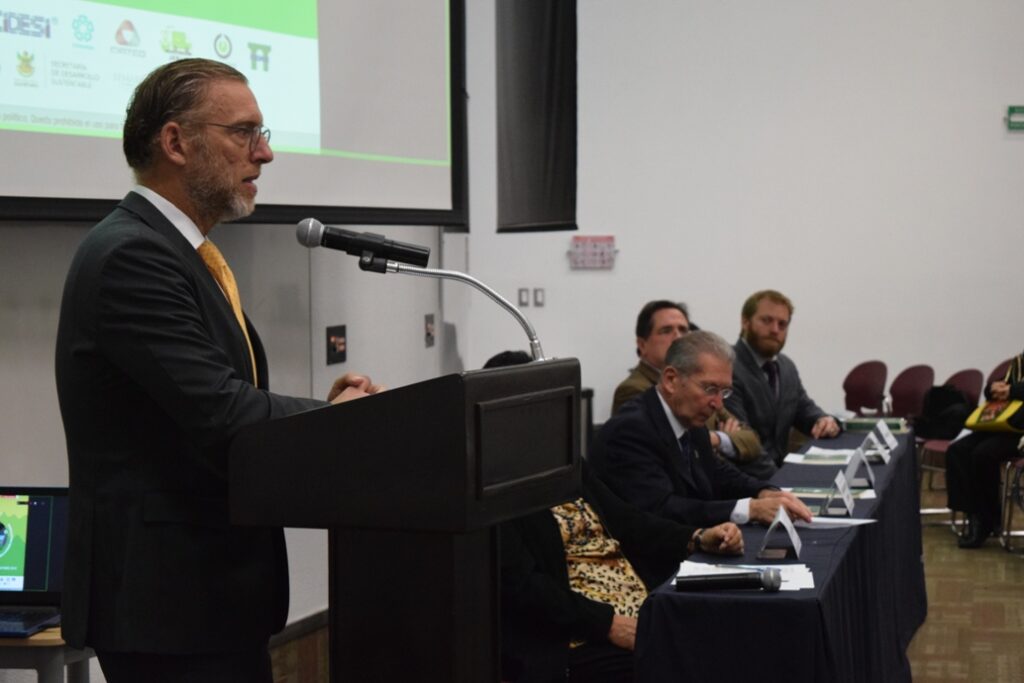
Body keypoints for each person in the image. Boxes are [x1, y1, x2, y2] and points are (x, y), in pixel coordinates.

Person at [54, 59, 381, 683]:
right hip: (169, 606)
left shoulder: (175, 251)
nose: (265, 153)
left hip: (203, 600)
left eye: (263, 133)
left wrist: (326, 413)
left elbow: (211, 401)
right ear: (175, 142)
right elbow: (222, 411)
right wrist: (334, 419)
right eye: (243, 132)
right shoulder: (132, 256)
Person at [486, 352, 743, 683]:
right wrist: (606, 623)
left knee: (736, 631)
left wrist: (696, 537)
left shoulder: (562, 462)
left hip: (636, 607)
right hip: (579, 635)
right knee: (700, 662)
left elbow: (628, 521)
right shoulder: (492, 485)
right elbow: (524, 587)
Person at [590, 332, 813, 529]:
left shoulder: (689, 418)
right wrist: (749, 509)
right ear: (671, 380)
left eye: (724, 392)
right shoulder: (631, 430)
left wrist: (763, 491)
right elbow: (661, 508)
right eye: (710, 389)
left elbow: (717, 473)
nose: (718, 404)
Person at [611, 300, 762, 462]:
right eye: (666, 330)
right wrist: (719, 440)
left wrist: (716, 439)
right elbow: (671, 447)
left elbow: (752, 440)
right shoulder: (633, 389)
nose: (678, 337)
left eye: (683, 330)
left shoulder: (707, 386)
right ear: (642, 345)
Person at [724, 289, 841, 480]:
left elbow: (803, 408)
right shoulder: (726, 367)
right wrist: (781, 480)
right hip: (748, 482)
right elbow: (741, 440)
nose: (775, 330)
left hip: (781, 475)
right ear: (745, 321)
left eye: (782, 324)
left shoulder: (786, 366)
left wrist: (822, 420)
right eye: (766, 320)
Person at [946, 353, 1024, 548]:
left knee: (983, 454)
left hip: (1020, 433)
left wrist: (1012, 391)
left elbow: (1012, 389)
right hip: (1003, 425)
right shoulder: (1019, 363)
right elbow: (997, 386)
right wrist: (993, 388)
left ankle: (985, 521)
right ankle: (973, 514)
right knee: (958, 450)